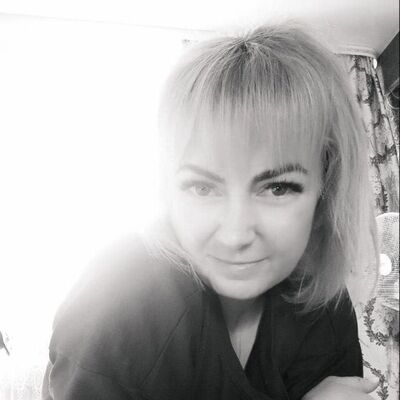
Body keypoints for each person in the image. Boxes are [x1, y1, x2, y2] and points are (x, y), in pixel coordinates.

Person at [42, 24, 379, 400]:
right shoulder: (116, 297)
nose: (236, 235)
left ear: (325, 192)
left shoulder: (324, 306)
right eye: (203, 188)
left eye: (277, 188)